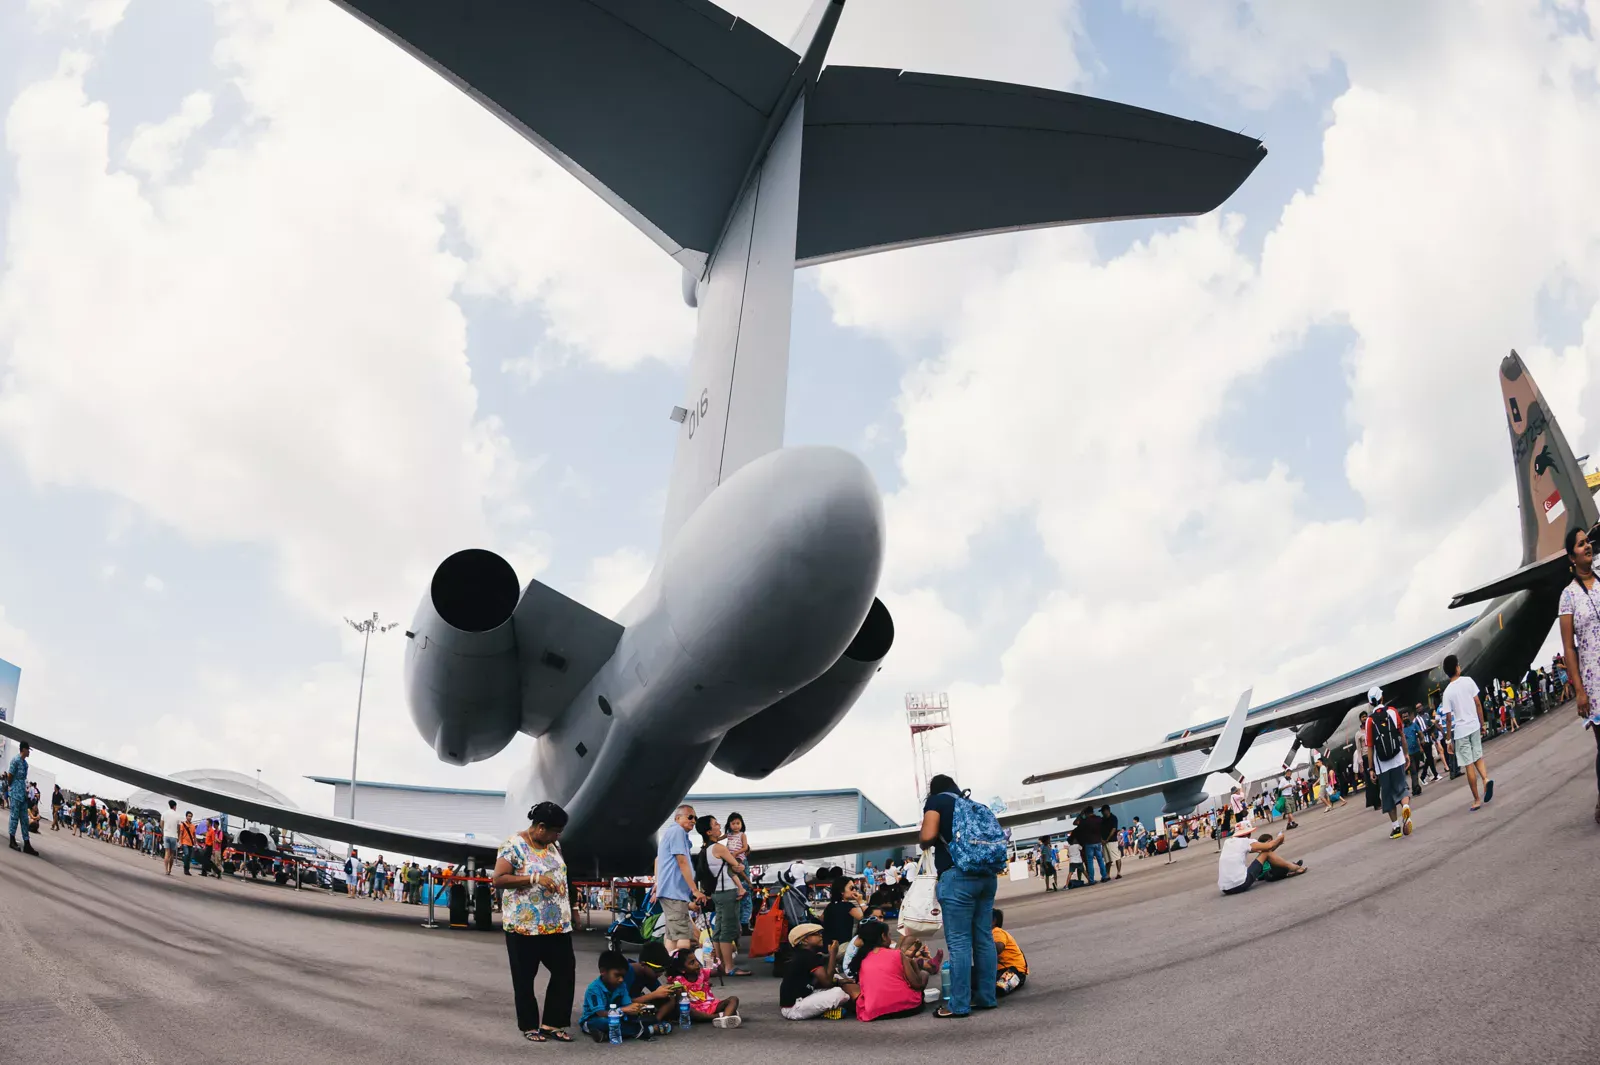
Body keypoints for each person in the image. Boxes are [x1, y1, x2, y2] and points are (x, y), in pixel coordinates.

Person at [491, 801, 577, 1043]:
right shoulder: (513, 845)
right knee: (524, 977)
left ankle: (553, 1022)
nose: (557, 836)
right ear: (540, 827)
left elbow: (564, 876)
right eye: (555, 831)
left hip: (557, 923)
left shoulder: (554, 846)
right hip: (524, 925)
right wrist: (533, 878)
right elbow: (499, 879)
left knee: (564, 971)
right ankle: (529, 1025)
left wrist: (574, 909)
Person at [919, 774, 998, 1019]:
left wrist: (922, 839)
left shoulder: (937, 802)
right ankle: (986, 997)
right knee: (983, 939)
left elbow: (928, 836)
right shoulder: (971, 804)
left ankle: (959, 1004)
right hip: (986, 876)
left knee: (960, 943)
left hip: (957, 877)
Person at [1560, 525, 1600, 823]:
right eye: (1580, 544)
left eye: (1588, 542)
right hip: (1593, 679)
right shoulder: (1568, 596)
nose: (1587, 546)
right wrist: (1579, 690)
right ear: (1571, 556)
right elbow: (1569, 647)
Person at [693, 814, 752, 977]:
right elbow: (737, 866)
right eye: (715, 824)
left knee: (718, 930)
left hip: (717, 893)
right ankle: (729, 967)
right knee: (727, 930)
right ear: (709, 831)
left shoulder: (705, 849)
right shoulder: (719, 848)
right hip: (727, 893)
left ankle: (720, 963)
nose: (719, 826)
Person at [1441, 654, 1495, 811]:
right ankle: (1485, 779)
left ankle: (1477, 799)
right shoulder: (1469, 681)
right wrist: (1481, 723)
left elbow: (1449, 719)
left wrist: (1449, 741)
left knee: (1468, 764)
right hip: (1474, 726)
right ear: (1457, 668)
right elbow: (1478, 703)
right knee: (1478, 757)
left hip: (1461, 731)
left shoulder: (1447, 693)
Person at [651, 804, 706, 954]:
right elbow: (682, 862)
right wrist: (695, 890)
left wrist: (658, 882)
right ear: (678, 818)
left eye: (695, 817)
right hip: (674, 893)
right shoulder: (677, 831)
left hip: (671, 892)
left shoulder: (674, 833)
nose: (693, 820)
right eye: (690, 817)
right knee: (682, 936)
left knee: (672, 936)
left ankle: (669, 968)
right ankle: (681, 970)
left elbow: (658, 859)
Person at [580, 950, 669, 1041]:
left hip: (618, 1017)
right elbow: (601, 1013)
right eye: (617, 975)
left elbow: (627, 1004)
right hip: (595, 1019)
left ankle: (605, 1034)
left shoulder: (621, 986)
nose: (621, 980)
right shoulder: (594, 989)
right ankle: (646, 1030)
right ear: (603, 971)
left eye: (623, 976)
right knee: (604, 1022)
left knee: (637, 1018)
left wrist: (638, 1008)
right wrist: (623, 1010)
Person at [1363, 687, 1414, 839]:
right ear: (1382, 698)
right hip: (1397, 758)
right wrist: (1405, 754)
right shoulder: (1392, 711)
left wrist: (1371, 768)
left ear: (1370, 703)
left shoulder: (1370, 721)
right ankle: (1405, 807)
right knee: (1402, 787)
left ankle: (1396, 827)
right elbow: (1401, 735)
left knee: (1388, 795)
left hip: (1382, 765)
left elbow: (1370, 746)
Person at [854, 922, 932, 1021]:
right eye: (889, 934)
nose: (890, 938)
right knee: (924, 974)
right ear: (883, 936)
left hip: (875, 1011)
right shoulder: (897, 954)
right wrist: (915, 966)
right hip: (908, 1007)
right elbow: (917, 984)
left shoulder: (861, 959)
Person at [779, 923, 857, 1020]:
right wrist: (833, 954)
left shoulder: (805, 954)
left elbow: (819, 980)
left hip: (803, 996)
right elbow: (827, 982)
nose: (820, 935)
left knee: (837, 979)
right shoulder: (807, 956)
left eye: (820, 933)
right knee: (839, 993)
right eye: (815, 934)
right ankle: (824, 1012)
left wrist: (838, 982)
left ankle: (828, 1009)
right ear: (804, 941)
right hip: (793, 1008)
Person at [1217, 819, 1306, 895]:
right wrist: (1279, 838)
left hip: (1225, 888)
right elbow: (1268, 848)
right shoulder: (1246, 841)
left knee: (1266, 853)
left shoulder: (1227, 842)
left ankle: (1290, 867)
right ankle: (1294, 867)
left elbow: (1265, 850)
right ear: (1248, 833)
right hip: (1240, 884)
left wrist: (1277, 843)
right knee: (1266, 853)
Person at [667, 948, 740, 1027]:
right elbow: (678, 1001)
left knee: (733, 999)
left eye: (696, 960)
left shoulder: (702, 973)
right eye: (692, 963)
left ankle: (724, 1019)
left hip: (711, 1005)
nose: (697, 964)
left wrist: (715, 960)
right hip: (695, 1010)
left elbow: (720, 972)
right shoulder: (678, 980)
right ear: (682, 970)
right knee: (688, 1010)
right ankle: (720, 1016)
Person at [821, 875, 864, 976]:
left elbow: (821, 919)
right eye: (851, 888)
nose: (854, 890)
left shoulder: (829, 906)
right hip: (841, 948)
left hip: (827, 947)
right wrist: (860, 901)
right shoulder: (848, 906)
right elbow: (867, 918)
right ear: (842, 892)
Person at [723, 811, 755, 934]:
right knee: (745, 900)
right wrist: (748, 882)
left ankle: (740, 925)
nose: (736, 825)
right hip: (742, 883)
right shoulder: (741, 859)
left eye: (738, 823)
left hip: (732, 884)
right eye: (733, 823)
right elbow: (742, 873)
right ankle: (744, 925)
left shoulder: (736, 839)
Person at [5, 742, 35, 855]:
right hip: (15, 793)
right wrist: (12, 788)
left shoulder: (25, 764)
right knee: (14, 817)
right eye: (28, 750)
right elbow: (10, 776)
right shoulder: (15, 760)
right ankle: (12, 840)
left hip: (22, 795)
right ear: (23, 749)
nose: (29, 752)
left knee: (24, 819)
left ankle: (27, 843)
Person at [991, 909, 1028, 996]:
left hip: (1014, 971)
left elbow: (999, 948)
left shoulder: (996, 931)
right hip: (1005, 971)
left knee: (998, 987)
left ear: (993, 921)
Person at [1099, 805, 1123, 880]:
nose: (1102, 813)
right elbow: (1099, 831)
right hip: (1104, 842)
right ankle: (1107, 875)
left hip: (1112, 840)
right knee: (1107, 859)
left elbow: (1114, 829)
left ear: (1108, 810)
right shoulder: (1102, 820)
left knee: (1116, 857)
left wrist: (1107, 839)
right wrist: (1101, 840)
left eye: (1103, 811)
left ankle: (1119, 872)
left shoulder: (1113, 818)